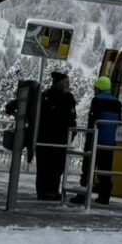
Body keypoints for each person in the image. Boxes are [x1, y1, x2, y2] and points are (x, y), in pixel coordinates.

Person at [75, 74, 121, 206]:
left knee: (88, 168)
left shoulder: (97, 100)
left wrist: (88, 139)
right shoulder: (117, 102)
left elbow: (92, 121)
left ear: (99, 88)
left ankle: (83, 194)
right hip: (110, 142)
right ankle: (104, 196)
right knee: (105, 169)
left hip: (96, 139)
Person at [36, 70, 77, 201]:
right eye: (65, 82)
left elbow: (72, 118)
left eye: (68, 82)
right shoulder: (45, 97)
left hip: (61, 139)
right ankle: (43, 191)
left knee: (57, 167)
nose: (67, 84)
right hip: (46, 138)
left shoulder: (69, 98)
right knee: (44, 166)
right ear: (58, 83)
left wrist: (72, 133)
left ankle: (53, 190)